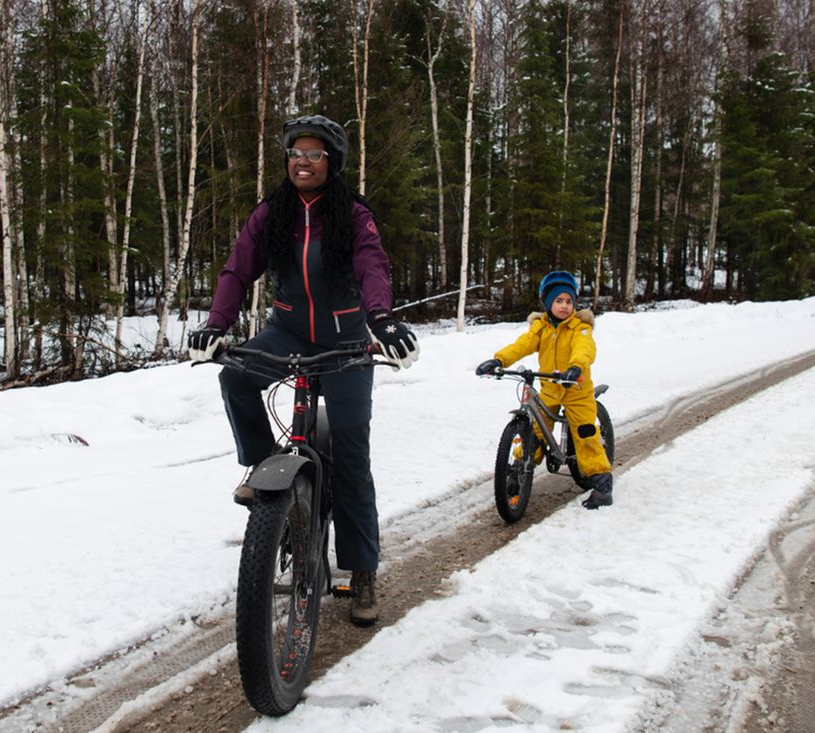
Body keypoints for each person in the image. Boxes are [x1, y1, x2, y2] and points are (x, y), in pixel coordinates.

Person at [187, 114, 419, 626]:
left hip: (347, 340)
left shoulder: (353, 214)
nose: (303, 161)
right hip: (288, 330)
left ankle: (361, 572)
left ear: (331, 162)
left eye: (315, 154)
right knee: (235, 377)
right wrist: (216, 323)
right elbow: (237, 267)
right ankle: (264, 459)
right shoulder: (271, 213)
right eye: (296, 153)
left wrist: (381, 319)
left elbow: (371, 266)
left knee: (353, 461)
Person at [475, 271, 614, 509]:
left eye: (569, 301)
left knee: (585, 434)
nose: (564, 306)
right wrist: (499, 361)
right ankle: (518, 470)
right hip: (550, 389)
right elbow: (522, 346)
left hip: (576, 389)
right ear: (548, 304)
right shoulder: (541, 328)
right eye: (559, 301)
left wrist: (576, 367)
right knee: (536, 432)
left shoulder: (579, 328)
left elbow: (584, 350)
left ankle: (602, 484)